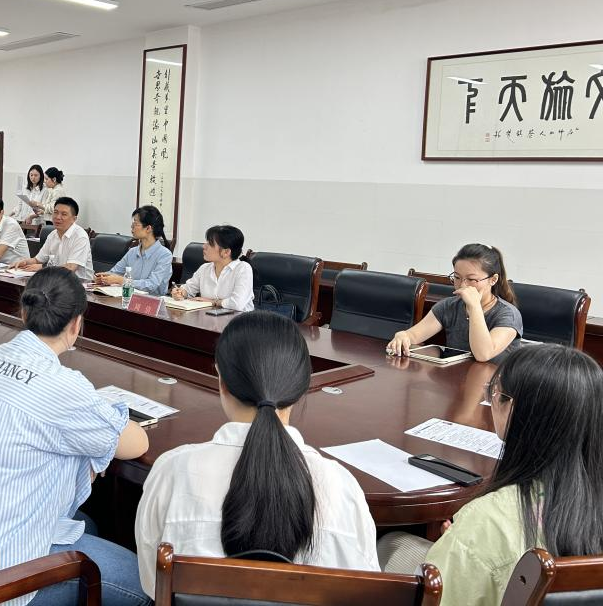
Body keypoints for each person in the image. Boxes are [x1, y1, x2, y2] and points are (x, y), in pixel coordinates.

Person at [0, 267, 151, 606]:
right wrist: (100, 410)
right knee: (144, 583)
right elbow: (136, 443)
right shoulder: (63, 387)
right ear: (76, 324)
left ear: (24, 312)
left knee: (86, 524)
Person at [135, 311, 379, 593]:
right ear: (301, 387)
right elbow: (364, 591)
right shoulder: (342, 487)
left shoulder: (172, 471)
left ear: (222, 381)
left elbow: (153, 585)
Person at [377, 344, 603, 606]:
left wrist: (467, 540)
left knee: (389, 544)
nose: (492, 400)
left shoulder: (488, 519)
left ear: (513, 409)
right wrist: (462, 542)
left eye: (495, 393)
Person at [386, 244, 522, 363]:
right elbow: (414, 335)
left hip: (494, 382)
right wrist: (403, 336)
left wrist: (474, 307)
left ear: (493, 280)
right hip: (455, 377)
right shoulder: (448, 306)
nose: (462, 285)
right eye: (457, 277)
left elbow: (483, 354)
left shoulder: (508, 314)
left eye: (471, 279)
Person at [171, 225, 253, 311]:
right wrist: (180, 292)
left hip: (238, 318)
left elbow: (237, 303)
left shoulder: (243, 269)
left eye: (210, 244)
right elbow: (188, 289)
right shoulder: (205, 268)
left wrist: (214, 302)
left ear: (226, 252)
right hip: (209, 317)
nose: (204, 246)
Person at [94, 205, 173, 296]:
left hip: (152, 301)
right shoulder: (132, 252)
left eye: (135, 223)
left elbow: (151, 285)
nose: (132, 226)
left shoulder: (164, 255)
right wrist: (103, 277)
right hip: (129, 299)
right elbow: (114, 272)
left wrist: (122, 280)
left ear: (148, 228)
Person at [12, 197, 94, 282]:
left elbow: (70, 268)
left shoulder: (80, 236)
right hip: (56, 280)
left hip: (79, 284)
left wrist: (43, 267)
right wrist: (25, 262)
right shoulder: (52, 235)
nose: (58, 217)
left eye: (64, 214)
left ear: (74, 219)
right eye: (55, 212)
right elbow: (37, 260)